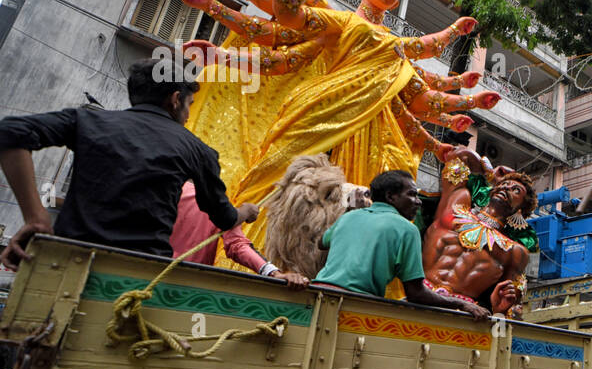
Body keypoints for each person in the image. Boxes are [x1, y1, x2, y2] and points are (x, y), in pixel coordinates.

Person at [167, 0, 499, 256]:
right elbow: (282, 20)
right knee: (281, 189)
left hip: (371, 139)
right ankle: (259, 263)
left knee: (365, 215)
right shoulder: (338, 23)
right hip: (318, 118)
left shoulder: (394, 51)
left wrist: (467, 101)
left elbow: (419, 97)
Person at [0, 57, 256, 269]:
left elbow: (10, 132)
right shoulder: (198, 150)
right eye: (189, 105)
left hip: (64, 262)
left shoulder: (88, 121)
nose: (188, 116)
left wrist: (36, 217)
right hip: (140, 271)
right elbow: (223, 218)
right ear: (176, 99)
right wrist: (245, 212)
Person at [314, 169, 489, 318]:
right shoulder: (407, 229)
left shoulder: (349, 216)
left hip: (314, 296)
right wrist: (460, 304)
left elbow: (322, 242)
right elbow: (415, 293)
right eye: (412, 194)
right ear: (390, 196)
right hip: (354, 307)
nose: (419, 201)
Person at [423, 147, 537, 319]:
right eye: (504, 184)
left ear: (521, 210)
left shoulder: (514, 252)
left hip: (461, 314)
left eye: (516, 190)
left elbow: (509, 305)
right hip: (416, 294)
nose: (506, 188)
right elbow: (459, 155)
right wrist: (490, 174)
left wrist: (501, 306)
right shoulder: (457, 203)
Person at [171, 181, 308, 288]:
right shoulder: (215, 203)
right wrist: (274, 273)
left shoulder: (156, 191)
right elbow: (237, 245)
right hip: (189, 287)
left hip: (152, 273)